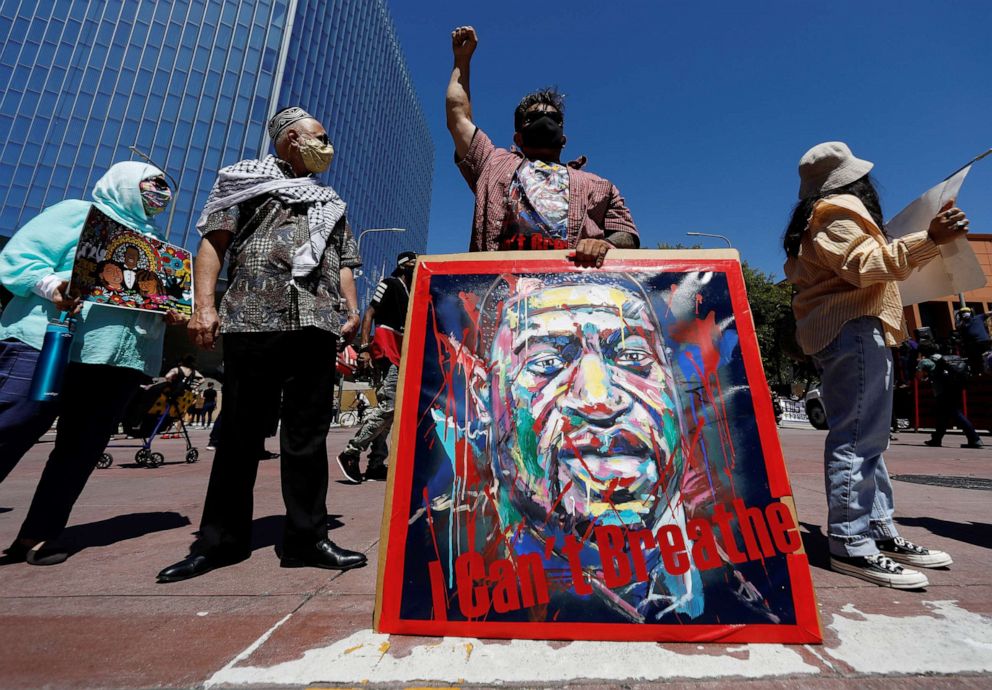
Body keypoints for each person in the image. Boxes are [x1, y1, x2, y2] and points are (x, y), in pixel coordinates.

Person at [157, 106, 367, 583]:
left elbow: (345, 259)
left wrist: (351, 309)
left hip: (315, 322)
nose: (327, 144)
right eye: (320, 135)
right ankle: (220, 542)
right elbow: (214, 242)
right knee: (239, 435)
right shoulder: (241, 181)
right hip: (252, 320)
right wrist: (203, 306)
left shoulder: (330, 199)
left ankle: (306, 538)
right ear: (290, 138)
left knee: (307, 437)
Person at [784, 141, 965, 588]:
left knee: (868, 436)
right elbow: (867, 266)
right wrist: (931, 240)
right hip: (853, 326)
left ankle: (878, 531)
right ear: (854, 180)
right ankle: (851, 542)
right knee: (858, 437)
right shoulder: (836, 211)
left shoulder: (821, 214)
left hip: (849, 329)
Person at [0, 161, 180, 565]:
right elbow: (18, 259)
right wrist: (51, 286)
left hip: (119, 360)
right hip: (49, 340)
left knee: (81, 448)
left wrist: (170, 310)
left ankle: (39, 535)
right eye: (153, 184)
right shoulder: (76, 214)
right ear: (124, 183)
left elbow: (148, 299)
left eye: (166, 188)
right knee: (11, 425)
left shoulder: (158, 246)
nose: (161, 194)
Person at [446, 26, 638, 267]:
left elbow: (626, 234)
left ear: (564, 138)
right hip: (499, 291)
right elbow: (458, 116)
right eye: (534, 118)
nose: (546, 120)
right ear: (518, 138)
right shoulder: (492, 163)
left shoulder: (599, 186)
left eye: (555, 119)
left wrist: (605, 245)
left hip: (570, 293)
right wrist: (461, 60)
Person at [336, 251, 416, 483]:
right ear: (403, 266)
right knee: (390, 404)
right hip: (386, 346)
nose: (415, 267)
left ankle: (376, 462)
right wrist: (363, 348)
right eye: (412, 264)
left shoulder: (411, 291)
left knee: (389, 409)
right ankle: (351, 451)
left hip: (400, 349)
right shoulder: (389, 283)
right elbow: (370, 313)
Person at [918, 355, 983, 449]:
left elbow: (919, 376)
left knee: (956, 414)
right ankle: (936, 439)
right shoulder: (940, 357)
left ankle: (975, 439)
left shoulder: (926, 361)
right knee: (942, 416)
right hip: (954, 388)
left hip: (943, 392)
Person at [955, 306, 990, 374]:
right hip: (973, 344)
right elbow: (958, 328)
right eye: (963, 312)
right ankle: (980, 373)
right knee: (977, 360)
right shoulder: (962, 323)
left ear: (970, 312)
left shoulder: (978, 317)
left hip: (984, 341)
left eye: (967, 312)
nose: (965, 313)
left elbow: (988, 313)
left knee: (987, 357)